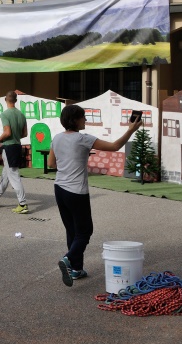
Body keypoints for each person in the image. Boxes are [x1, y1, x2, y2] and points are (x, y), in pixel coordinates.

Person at [48, 104, 141, 287]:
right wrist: (130, 130)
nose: (86, 120)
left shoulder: (57, 138)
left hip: (59, 188)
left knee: (72, 230)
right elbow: (115, 146)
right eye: (83, 117)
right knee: (84, 231)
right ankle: (67, 260)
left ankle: (76, 269)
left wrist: (69, 160)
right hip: (77, 191)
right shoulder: (83, 138)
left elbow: (52, 163)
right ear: (75, 120)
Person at [0, 91, 30, 214]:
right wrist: (16, 135)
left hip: (9, 147)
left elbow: (7, 132)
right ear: (16, 100)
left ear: (5, 99)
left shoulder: (5, 114)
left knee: (13, 175)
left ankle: (23, 204)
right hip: (17, 146)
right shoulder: (21, 115)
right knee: (6, 175)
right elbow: (24, 134)